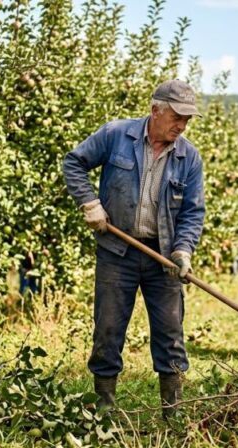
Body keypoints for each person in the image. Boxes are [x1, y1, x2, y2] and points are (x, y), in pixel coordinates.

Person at [62, 80, 205, 418]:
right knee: (108, 329)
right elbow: (74, 162)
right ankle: (105, 410)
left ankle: (173, 413)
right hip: (117, 251)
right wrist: (89, 203)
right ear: (156, 110)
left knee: (171, 333)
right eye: (177, 117)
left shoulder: (188, 157)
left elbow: (192, 212)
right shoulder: (115, 135)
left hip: (163, 257)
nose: (182, 126)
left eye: (187, 119)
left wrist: (183, 251)